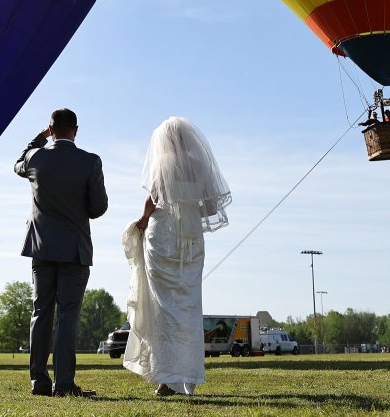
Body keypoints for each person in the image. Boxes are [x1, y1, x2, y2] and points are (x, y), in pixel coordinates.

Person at [122, 117, 232, 397]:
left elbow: (153, 197)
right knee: (189, 307)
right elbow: (209, 207)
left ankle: (166, 379)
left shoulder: (163, 163)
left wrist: (145, 218)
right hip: (190, 237)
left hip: (163, 235)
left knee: (163, 308)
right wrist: (188, 206)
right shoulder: (199, 164)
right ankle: (187, 378)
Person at [15, 108, 107, 398]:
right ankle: (64, 383)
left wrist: (38, 139)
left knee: (40, 313)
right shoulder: (90, 161)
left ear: (51, 129)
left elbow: (19, 162)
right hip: (74, 249)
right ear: (76, 130)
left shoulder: (36, 157)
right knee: (67, 316)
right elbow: (98, 208)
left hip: (41, 249)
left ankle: (39, 383)